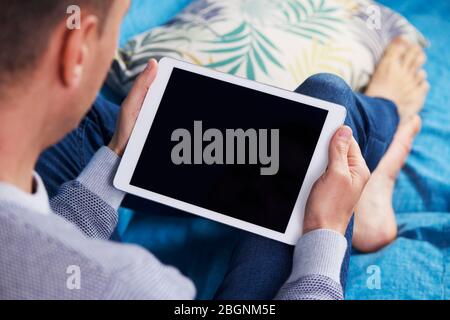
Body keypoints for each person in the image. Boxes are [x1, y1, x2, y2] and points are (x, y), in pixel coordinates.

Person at [0, 0, 427, 300]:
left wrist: (115, 156)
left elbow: (38, 252)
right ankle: (376, 143)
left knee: (305, 131)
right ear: (75, 51)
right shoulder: (136, 284)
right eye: (119, 23)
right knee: (327, 105)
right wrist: (327, 236)